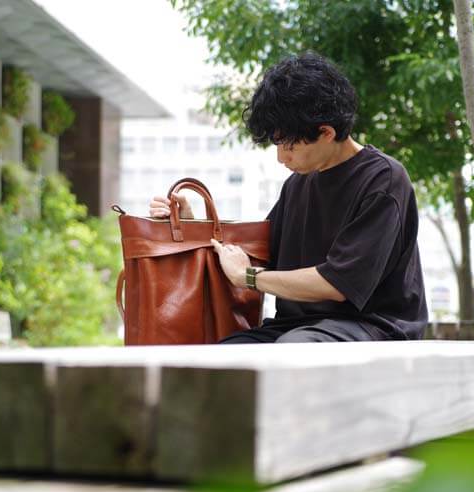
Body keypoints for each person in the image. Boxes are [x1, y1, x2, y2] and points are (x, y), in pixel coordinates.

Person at [149, 52, 427, 343]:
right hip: (294, 326)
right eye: (277, 145)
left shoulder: (383, 180)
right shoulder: (297, 184)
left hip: (371, 326)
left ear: (326, 132)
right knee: (220, 357)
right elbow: (251, 253)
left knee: (293, 349)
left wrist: (250, 277)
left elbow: (337, 284)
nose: (281, 158)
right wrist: (192, 226)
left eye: (290, 147)